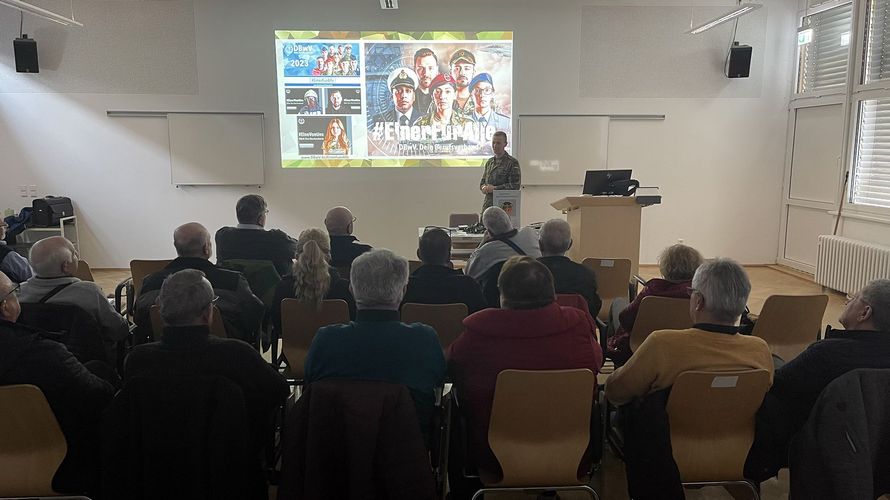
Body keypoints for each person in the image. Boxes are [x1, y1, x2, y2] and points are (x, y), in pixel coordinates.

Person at [605, 258, 774, 500]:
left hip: (665, 460)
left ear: (698, 301)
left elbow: (616, 392)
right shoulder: (760, 350)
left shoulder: (662, 344)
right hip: (737, 455)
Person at [125, 269, 288, 499]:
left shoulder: (138, 361)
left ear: (161, 311)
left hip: (157, 473)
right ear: (208, 312)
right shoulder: (237, 355)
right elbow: (279, 391)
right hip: (229, 473)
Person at [447, 256, 603, 499]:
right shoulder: (578, 326)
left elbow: (454, 368)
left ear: (502, 296)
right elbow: (596, 363)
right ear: (553, 293)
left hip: (493, 457)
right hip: (573, 452)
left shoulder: (477, 335)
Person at [745, 278, 890, 482]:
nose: (846, 302)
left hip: (819, 445)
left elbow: (776, 387)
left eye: (854, 298)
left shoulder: (826, 355)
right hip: (875, 452)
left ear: (864, 313)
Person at [303, 249, 446, 438]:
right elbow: (438, 383)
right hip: (407, 450)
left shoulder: (325, 340)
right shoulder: (424, 339)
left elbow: (310, 385)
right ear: (403, 291)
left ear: (352, 290)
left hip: (337, 450)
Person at [0, 270, 116, 495]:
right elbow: (96, 395)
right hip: (57, 460)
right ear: (5, 307)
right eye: (15, 293)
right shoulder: (42, 353)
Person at [138, 222, 265, 344]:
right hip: (227, 356)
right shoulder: (233, 280)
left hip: (163, 358)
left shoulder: (150, 282)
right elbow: (254, 313)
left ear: (176, 247)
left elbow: (140, 320)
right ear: (206, 248)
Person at [20, 236, 129, 359]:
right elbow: (119, 330)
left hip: (38, 360)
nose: (77, 257)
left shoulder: (19, 293)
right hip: (89, 361)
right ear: (66, 265)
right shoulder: (89, 292)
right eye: (74, 254)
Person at [606, 243, 703, 365]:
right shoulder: (698, 296)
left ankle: (614, 359)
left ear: (666, 266)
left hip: (640, 347)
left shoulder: (652, 290)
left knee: (618, 302)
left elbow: (626, 319)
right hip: (684, 348)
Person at [271, 228, 356, 343]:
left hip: (294, 355)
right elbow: (352, 324)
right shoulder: (343, 289)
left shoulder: (283, 287)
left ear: (296, 255)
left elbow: (278, 325)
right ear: (329, 255)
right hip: (336, 354)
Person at [403, 227, 486, 313]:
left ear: (419, 254)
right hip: (456, 327)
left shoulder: (406, 288)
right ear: (449, 256)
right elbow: (482, 318)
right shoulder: (468, 286)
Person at [215, 194, 298, 276]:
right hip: (273, 288)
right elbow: (301, 248)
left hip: (233, 288)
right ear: (261, 218)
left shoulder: (223, 236)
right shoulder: (276, 239)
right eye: (265, 213)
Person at [537, 219, 601, 319]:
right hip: (576, 331)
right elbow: (592, 310)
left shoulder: (525, 273)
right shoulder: (587, 274)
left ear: (540, 245)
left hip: (536, 331)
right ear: (570, 245)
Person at [464, 206, 540, 281]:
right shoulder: (530, 233)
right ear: (509, 220)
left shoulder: (487, 251)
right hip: (538, 285)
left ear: (489, 232)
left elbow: (468, 275)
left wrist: (481, 244)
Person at [478, 130, 520, 212]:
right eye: (493, 143)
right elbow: (482, 182)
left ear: (505, 144)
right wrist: (484, 188)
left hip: (504, 206)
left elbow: (515, 186)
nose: (495, 146)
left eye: (498, 143)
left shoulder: (512, 162)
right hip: (488, 206)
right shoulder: (489, 162)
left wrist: (495, 188)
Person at [449, 49, 476, 116]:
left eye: (467, 68)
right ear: (450, 73)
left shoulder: (484, 100)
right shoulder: (440, 99)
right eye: (457, 69)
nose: (462, 73)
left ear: (473, 72)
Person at [413, 47, 439, 114]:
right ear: (414, 69)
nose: (426, 73)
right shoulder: (408, 97)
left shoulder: (446, 96)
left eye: (430, 68)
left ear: (437, 69)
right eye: (421, 68)